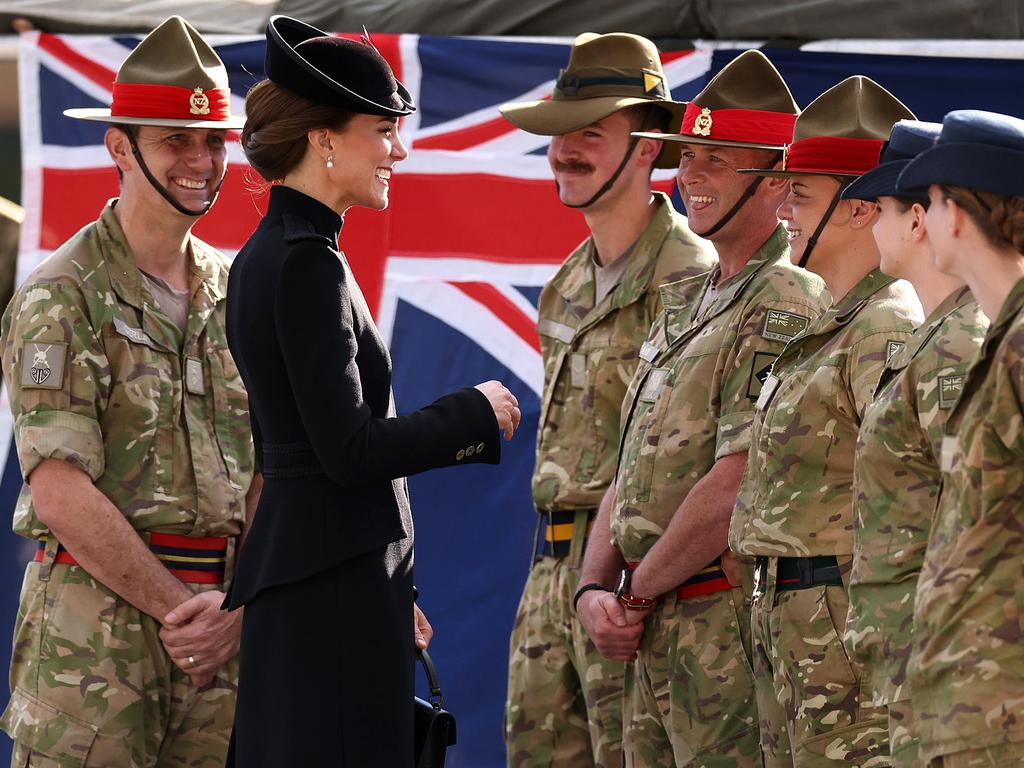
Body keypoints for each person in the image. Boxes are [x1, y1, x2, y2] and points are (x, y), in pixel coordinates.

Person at [223, 15, 520, 767]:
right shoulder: (305, 262)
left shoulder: (282, 251)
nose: (400, 149)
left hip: (329, 580)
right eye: (383, 129)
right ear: (324, 138)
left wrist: (386, 585)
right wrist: (472, 414)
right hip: (325, 599)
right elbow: (347, 450)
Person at [0, 16, 258, 767]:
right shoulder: (63, 295)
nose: (201, 160)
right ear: (121, 147)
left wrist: (232, 612)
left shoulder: (237, 291)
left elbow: (268, 462)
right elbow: (59, 491)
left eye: (213, 140)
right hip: (97, 641)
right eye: (176, 139)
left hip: (218, 638)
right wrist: (187, 612)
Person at [575, 50, 828, 767]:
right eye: (688, 156)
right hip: (652, 619)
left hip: (716, 621)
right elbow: (631, 462)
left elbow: (738, 475)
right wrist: (598, 584)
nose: (691, 175)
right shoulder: (687, 298)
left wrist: (633, 592)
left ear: (778, 179)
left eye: (718, 159)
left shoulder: (784, 296)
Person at [498, 32, 717, 768]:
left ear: (649, 145)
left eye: (591, 133)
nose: (566, 152)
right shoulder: (565, 282)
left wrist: (623, 589)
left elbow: (699, 462)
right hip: (551, 576)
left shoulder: (696, 281)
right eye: (562, 134)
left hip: (637, 588)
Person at [729, 77, 922, 766]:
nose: (781, 209)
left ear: (861, 209)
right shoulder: (832, 323)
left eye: (800, 194)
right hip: (795, 626)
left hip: (845, 633)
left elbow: (915, 497)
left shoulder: (886, 327)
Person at [840, 120, 989, 768]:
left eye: (884, 209)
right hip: (911, 654)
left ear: (919, 222)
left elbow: (975, 510)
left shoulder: (957, 344)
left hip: (945, 663)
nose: (872, 224)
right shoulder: (935, 337)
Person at [895, 109, 1024, 768]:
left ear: (957, 214)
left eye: (933, 198)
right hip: (971, 698)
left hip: (1003, 706)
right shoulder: (1002, 341)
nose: (924, 214)